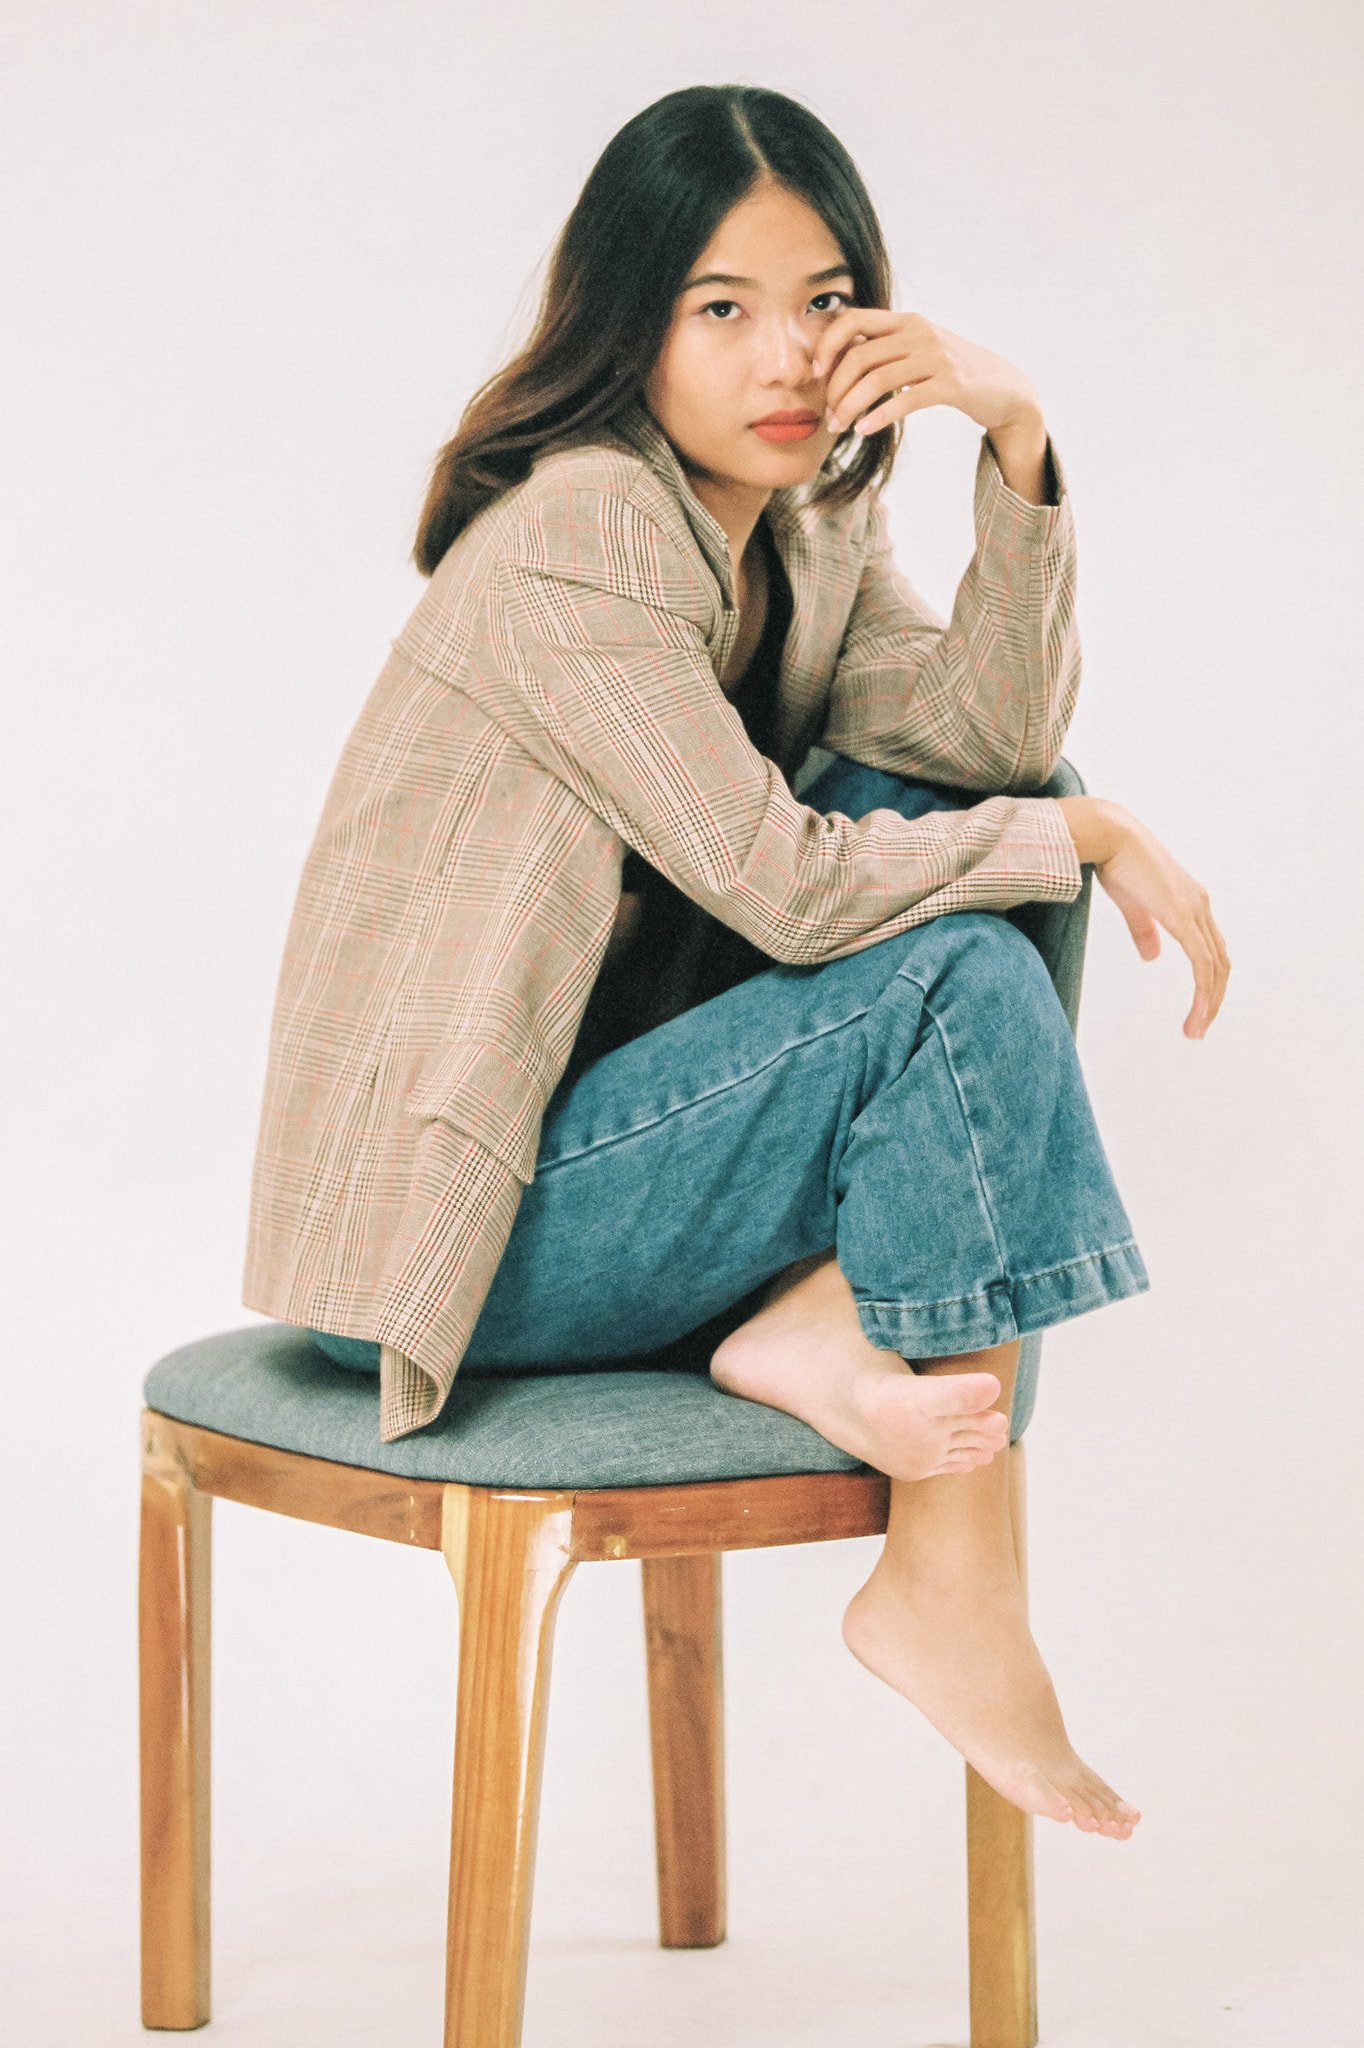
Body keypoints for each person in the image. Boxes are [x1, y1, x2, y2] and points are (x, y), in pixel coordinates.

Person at [244, 84, 1230, 1844]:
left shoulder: (806, 526)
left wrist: (1016, 441)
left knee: (992, 810)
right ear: (630, 325)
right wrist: (1074, 840)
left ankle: (835, 1336)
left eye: (826, 299)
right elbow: (788, 892)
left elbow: (991, 742)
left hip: (616, 1163)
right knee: (967, 929)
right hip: (451, 1236)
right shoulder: (586, 528)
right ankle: (954, 1559)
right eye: (723, 307)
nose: (789, 355)